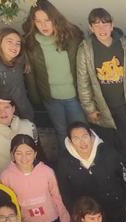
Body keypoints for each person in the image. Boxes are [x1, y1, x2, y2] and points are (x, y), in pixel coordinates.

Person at [22, 0, 87, 142]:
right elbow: (31, 75)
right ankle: (67, 163)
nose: (43, 25)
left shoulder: (72, 37)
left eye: (47, 20)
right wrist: (36, 98)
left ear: (55, 19)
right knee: (61, 132)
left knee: (82, 131)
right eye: (38, 21)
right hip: (51, 98)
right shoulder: (31, 43)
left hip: (74, 96)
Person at [1, 134, 71, 222]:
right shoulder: (6, 176)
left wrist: (65, 221)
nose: (24, 158)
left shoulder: (47, 171)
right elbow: (9, 205)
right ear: (12, 154)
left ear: (35, 154)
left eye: (28, 153)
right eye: (18, 153)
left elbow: (57, 197)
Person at [76, 8, 126, 157]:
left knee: (124, 143)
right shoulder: (86, 49)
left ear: (112, 25)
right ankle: (112, 176)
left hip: (123, 104)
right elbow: (83, 82)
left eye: (105, 24)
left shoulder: (124, 45)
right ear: (91, 28)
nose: (102, 29)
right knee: (106, 146)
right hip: (102, 107)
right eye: (96, 25)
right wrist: (89, 108)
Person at [57, 122, 126, 222]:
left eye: (85, 137)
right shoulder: (64, 162)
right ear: (70, 142)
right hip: (89, 216)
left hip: (115, 207)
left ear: (91, 136)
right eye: (76, 139)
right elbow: (64, 191)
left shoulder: (108, 152)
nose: (82, 142)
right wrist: (75, 213)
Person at [0, 29, 35, 124]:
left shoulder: (19, 61)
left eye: (18, 43)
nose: (14, 46)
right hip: (4, 116)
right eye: (9, 42)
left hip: (24, 110)